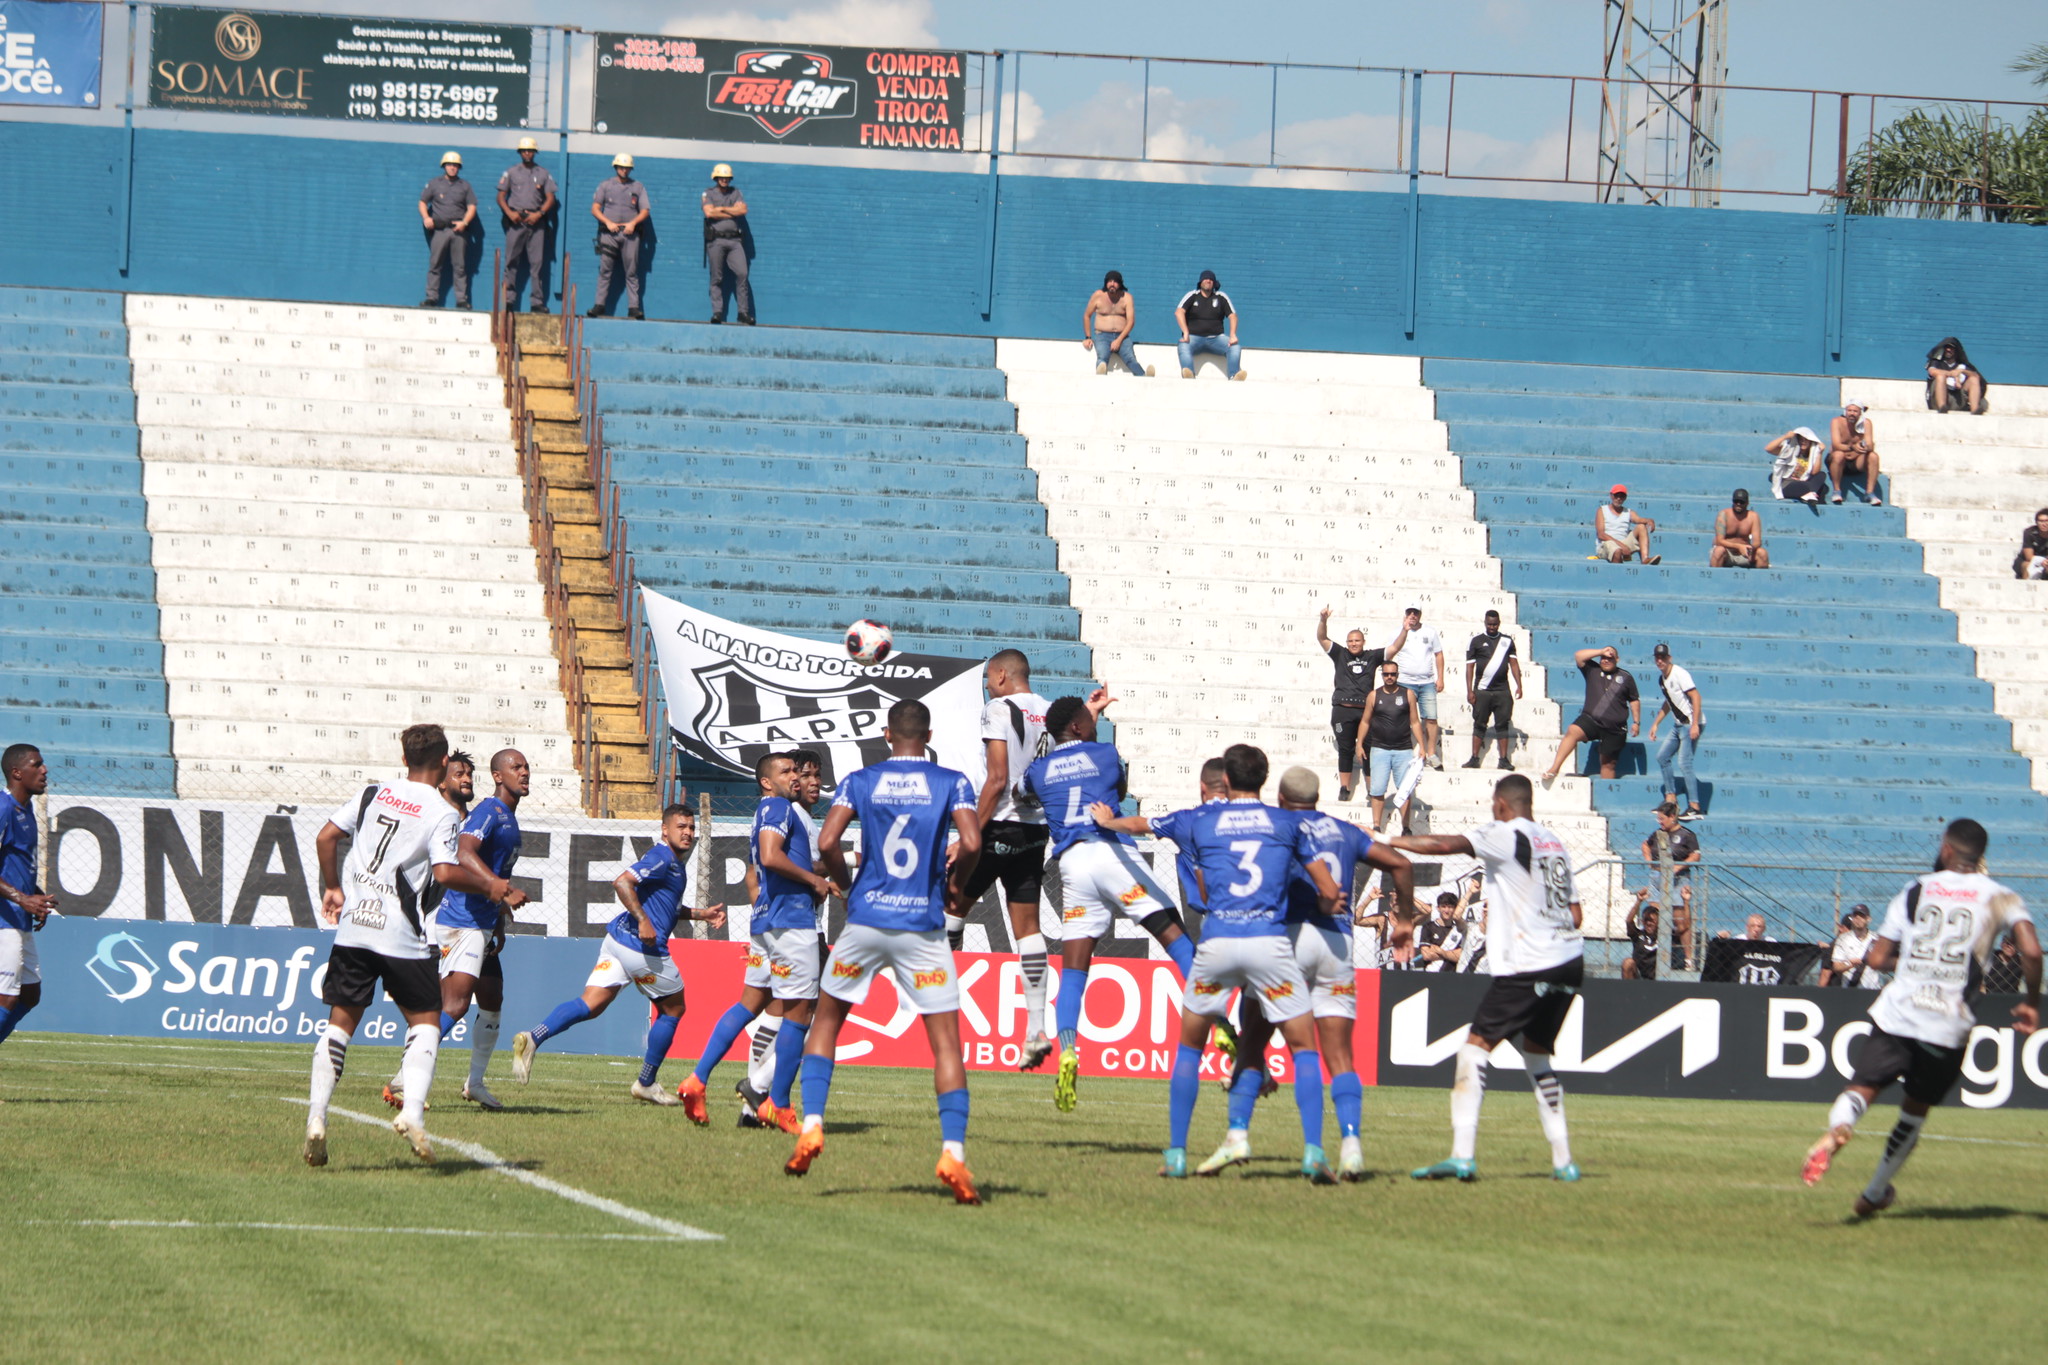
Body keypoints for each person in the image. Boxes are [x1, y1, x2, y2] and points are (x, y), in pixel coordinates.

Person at [1092, 744, 1339, 1183]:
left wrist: (1107, 821)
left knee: (1190, 1047)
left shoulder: (1198, 819)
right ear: (1264, 780)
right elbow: (1326, 888)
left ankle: (1176, 1154)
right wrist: (1320, 899)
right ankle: (1314, 1153)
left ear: (1225, 780)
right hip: (1269, 944)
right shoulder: (1288, 822)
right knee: (1303, 1048)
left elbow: (1143, 824)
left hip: (1218, 942)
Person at [785, 699, 986, 1205]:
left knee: (827, 1022)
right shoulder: (952, 781)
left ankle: (811, 1124)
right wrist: (955, 885)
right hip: (922, 925)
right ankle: (953, 1154)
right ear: (929, 734)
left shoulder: (860, 779)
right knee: (945, 1044)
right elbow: (972, 839)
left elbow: (829, 840)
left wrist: (849, 884)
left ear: (886, 734)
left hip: (867, 921)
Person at [1800, 819, 2038, 1216]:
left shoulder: (1917, 889)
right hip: (1947, 1025)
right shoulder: (2000, 896)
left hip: (1899, 1013)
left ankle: (1839, 1129)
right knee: (1914, 1112)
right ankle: (1874, 1192)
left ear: (1946, 847)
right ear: (1980, 855)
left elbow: (1876, 958)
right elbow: (2030, 950)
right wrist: (2031, 999)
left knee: (1862, 1088)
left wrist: (1912, 958)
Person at [303, 724, 509, 1167]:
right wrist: (490, 885)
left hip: (354, 929)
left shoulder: (372, 794)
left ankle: (317, 1118)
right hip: (402, 934)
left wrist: (333, 887)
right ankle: (412, 1113)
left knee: (339, 1026)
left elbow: (325, 837)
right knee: (427, 1025)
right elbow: (445, 873)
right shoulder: (442, 811)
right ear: (440, 766)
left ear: (404, 759)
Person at [1197, 767, 1415, 1182]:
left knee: (1253, 1045)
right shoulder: (1345, 831)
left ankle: (1237, 1136)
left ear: (1280, 796)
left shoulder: (1277, 825)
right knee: (1339, 1056)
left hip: (1288, 940)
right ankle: (1351, 1149)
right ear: (1317, 799)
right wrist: (1403, 921)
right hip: (1336, 946)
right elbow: (1401, 865)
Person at [1390, 774, 1585, 1183]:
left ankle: (1462, 1156)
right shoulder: (1554, 844)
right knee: (1536, 1057)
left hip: (1530, 964)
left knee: (1473, 1051)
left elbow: (1445, 845)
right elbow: (1577, 915)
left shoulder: (1504, 833)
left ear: (1500, 804)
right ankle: (1564, 1160)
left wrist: (1387, 839)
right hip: (1570, 962)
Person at [1023, 695, 1197, 1113]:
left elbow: (1024, 792)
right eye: (1089, 718)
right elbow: (1117, 788)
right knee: (1174, 934)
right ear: (1081, 727)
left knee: (1075, 970)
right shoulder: (1104, 753)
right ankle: (1224, 1025)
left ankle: (1067, 1048)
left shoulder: (1039, 770)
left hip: (1072, 865)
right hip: (1110, 852)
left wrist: (1080, 725)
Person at [509, 806, 726, 1102]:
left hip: (617, 942)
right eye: (681, 827)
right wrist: (643, 920)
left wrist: (702, 914)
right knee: (673, 1009)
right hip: (641, 948)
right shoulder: (662, 857)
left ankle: (534, 1037)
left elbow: (667, 906)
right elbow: (622, 882)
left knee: (590, 1004)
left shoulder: (673, 862)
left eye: (691, 827)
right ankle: (646, 1083)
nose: (688, 832)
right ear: (665, 830)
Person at [679, 754, 838, 1130]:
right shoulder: (779, 807)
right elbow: (769, 857)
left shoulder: (768, 810)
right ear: (767, 782)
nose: (796, 777)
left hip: (766, 923)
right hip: (792, 922)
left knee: (749, 1004)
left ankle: (698, 1079)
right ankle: (776, 1103)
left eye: (797, 771)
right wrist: (815, 881)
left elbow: (761, 866)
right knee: (800, 1014)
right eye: (787, 772)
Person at [382, 748, 532, 1113]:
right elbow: (464, 853)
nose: (524, 772)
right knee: (456, 1003)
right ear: (498, 776)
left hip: (483, 921)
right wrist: (501, 888)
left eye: (527, 767)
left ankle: (475, 1084)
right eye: (516, 767)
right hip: (463, 920)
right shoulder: (489, 811)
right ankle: (402, 1079)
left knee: (492, 1000)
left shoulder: (507, 817)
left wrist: (498, 920)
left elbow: (490, 867)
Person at [953, 650, 1052, 1068]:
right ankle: (1036, 1027)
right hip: (1036, 828)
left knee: (952, 902)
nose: (986, 688)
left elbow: (996, 778)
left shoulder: (999, 708)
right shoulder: (1051, 711)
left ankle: (940, 1015)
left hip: (998, 825)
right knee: (1028, 927)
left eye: (987, 681)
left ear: (999, 674)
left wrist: (970, 831)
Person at [1316, 605, 1407, 802]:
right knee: (1346, 749)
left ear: (1363, 642)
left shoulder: (1372, 656)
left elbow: (1395, 648)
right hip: (1343, 710)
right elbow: (1322, 638)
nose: (1353, 644)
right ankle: (1344, 788)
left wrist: (1405, 630)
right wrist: (1323, 621)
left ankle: (1371, 788)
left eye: (1357, 640)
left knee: (1367, 750)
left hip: (1366, 711)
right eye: (1350, 641)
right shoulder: (1340, 653)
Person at [0, 745, 54, 1075]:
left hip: (18, 915)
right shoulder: (3, 807)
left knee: (29, 995)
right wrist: (22, 899)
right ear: (17, 772)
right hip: (2, 919)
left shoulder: (27, 810)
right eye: (37, 764)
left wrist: (35, 897)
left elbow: (13, 865)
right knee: (6, 998)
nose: (45, 770)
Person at [1540, 645, 1639, 785]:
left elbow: (1634, 700)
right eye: (1603, 658)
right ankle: (1554, 768)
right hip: (1591, 720)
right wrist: (1601, 651)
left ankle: (1605, 794)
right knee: (1573, 731)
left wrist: (1636, 722)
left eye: (1610, 658)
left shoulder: (1626, 677)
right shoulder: (1592, 670)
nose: (1606, 660)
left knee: (1608, 764)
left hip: (1615, 727)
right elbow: (1578, 656)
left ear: (1617, 659)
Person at [1357, 659, 1425, 835]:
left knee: (1404, 790)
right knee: (1377, 789)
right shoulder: (1374, 695)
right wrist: (1359, 743)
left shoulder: (1408, 694)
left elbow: (1415, 722)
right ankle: (1377, 826)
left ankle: (1406, 827)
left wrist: (1423, 747)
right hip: (1379, 749)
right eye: (1386, 674)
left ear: (1397, 675)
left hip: (1403, 749)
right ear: (1382, 675)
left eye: (1392, 674)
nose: (1389, 677)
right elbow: (1365, 721)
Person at [497, 137, 558, 313]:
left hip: (536, 223)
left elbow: (550, 199)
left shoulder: (543, 173)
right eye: (524, 150)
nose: (527, 153)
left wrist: (539, 214)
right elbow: (501, 196)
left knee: (537, 264)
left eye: (530, 150)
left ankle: (537, 302)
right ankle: (508, 301)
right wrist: (510, 213)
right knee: (511, 262)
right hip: (516, 221)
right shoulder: (511, 172)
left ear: (534, 152)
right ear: (520, 152)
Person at [1646, 643, 1705, 819]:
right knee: (1662, 757)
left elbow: (1696, 696)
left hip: (1690, 723)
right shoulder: (1662, 679)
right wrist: (1656, 723)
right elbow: (1669, 702)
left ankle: (1695, 806)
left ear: (1669, 658)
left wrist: (1695, 724)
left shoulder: (1679, 673)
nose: (1659, 661)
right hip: (1679, 724)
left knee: (1684, 763)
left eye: (1663, 657)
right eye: (1657, 658)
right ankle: (1671, 800)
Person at [589, 154, 650, 320]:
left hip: (630, 235)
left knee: (632, 272)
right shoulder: (605, 185)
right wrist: (608, 222)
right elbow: (595, 208)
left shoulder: (638, 187)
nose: (624, 170)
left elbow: (645, 210)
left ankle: (633, 308)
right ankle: (599, 305)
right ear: (616, 167)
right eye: (621, 167)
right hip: (609, 234)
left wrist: (632, 224)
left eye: (627, 168)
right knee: (605, 270)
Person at [1462, 608, 1522, 770]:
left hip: (1502, 690)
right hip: (1482, 690)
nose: (1492, 627)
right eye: (1489, 624)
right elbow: (1469, 668)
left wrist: (1519, 685)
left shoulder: (1507, 641)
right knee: (1479, 723)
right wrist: (1469, 690)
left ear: (1499, 624)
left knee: (1502, 724)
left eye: (1495, 624)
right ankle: (1474, 758)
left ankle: (1504, 760)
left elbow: (1514, 664)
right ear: (1485, 623)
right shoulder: (1476, 641)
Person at [1388, 606, 1446, 769]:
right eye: (1409, 612)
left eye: (1416, 612)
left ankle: (1431, 753)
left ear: (1420, 614)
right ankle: (1402, 750)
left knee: (1431, 718)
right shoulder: (1397, 632)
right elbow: (1389, 654)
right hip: (1405, 682)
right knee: (1401, 717)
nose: (1412, 616)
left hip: (1427, 682)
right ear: (1405, 614)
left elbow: (1439, 654)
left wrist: (1440, 678)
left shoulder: (1430, 632)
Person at [419, 151, 478, 310]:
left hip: (458, 231)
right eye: (449, 165)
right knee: (435, 264)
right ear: (444, 166)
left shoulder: (465, 186)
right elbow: (423, 202)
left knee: (459, 267)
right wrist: (426, 218)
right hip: (439, 231)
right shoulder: (434, 183)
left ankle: (461, 300)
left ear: (459, 167)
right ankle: (431, 298)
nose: (452, 168)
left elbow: (472, 207)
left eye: (455, 165)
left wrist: (464, 222)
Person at [702, 162, 753, 325]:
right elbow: (709, 212)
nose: (724, 180)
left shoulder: (736, 192)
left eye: (727, 178)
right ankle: (717, 312)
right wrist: (731, 210)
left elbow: (743, 210)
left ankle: (743, 313)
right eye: (721, 178)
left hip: (735, 241)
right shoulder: (708, 193)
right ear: (716, 178)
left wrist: (721, 209)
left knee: (742, 274)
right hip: (716, 240)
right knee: (717, 277)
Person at [1174, 269, 1245, 380]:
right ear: (1200, 282)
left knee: (1235, 347)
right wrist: (1186, 332)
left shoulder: (1221, 297)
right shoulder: (1192, 295)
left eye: (1211, 279)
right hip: (1194, 338)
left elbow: (1233, 316)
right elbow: (1179, 312)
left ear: (1214, 283)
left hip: (1217, 338)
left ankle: (1233, 375)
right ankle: (1189, 376)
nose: (1208, 281)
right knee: (1183, 345)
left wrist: (1232, 335)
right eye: (1206, 279)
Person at [1081, 270, 1153, 376]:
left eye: (1115, 281)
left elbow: (1131, 321)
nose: (1112, 284)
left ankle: (1145, 376)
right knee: (1102, 357)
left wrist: (1119, 340)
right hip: (1102, 335)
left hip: (1122, 336)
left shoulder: (1127, 298)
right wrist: (1088, 337)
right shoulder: (1098, 295)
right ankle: (1101, 373)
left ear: (1120, 284)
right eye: (1109, 281)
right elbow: (1087, 316)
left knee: (1130, 359)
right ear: (1106, 283)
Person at [1827, 402, 1882, 506]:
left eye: (1855, 411)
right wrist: (1852, 447)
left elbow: (1870, 445)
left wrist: (1861, 448)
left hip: (1857, 460)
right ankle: (1837, 491)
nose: (1852, 413)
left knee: (1873, 456)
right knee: (1839, 454)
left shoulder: (1866, 423)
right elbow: (1836, 445)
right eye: (1849, 410)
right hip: (1838, 460)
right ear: (1845, 411)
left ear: (1860, 413)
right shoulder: (1836, 422)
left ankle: (1869, 493)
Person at [1594, 484, 1659, 564]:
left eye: (1622, 496)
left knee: (1641, 527)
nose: (1618, 498)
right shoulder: (1602, 510)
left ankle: (1645, 559)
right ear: (1611, 495)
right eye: (1616, 495)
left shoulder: (1628, 512)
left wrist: (1649, 521)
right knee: (1617, 551)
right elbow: (1601, 535)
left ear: (1625, 498)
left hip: (1623, 543)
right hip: (1607, 544)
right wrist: (1621, 546)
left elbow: (1638, 520)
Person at [1709, 488, 1770, 569]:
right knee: (1718, 551)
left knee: (1762, 553)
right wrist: (1739, 546)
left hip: (1745, 553)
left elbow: (1757, 541)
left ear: (1747, 503)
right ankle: (1714, 580)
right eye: (1736, 501)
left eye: (1742, 502)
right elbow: (1719, 541)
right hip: (1727, 553)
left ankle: (1760, 579)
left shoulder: (1753, 516)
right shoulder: (1723, 515)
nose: (1738, 504)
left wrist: (1750, 548)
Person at [1766, 427, 1829, 504]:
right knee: (1815, 488)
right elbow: (1768, 449)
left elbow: (1815, 472)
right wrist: (1785, 437)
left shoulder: (1811, 455)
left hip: (1804, 482)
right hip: (1788, 485)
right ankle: (1810, 494)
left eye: (1806, 440)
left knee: (1821, 475)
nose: (1803, 442)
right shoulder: (1789, 451)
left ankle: (1808, 495)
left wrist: (1820, 453)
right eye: (1801, 439)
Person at [1924, 336, 1986, 414]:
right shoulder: (1936, 362)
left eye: (1951, 348)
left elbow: (1976, 376)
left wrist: (1962, 371)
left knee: (1973, 379)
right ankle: (1942, 407)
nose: (1948, 350)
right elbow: (1932, 371)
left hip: (1957, 400)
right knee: (1940, 377)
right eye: (1947, 347)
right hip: (1937, 399)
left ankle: (1975, 410)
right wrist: (1951, 374)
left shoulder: (1962, 365)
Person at [1415, 892, 1467, 972]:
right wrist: (1451, 954)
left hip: (1452, 975)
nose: (1446, 910)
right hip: (1432, 973)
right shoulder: (1428, 927)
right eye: (1443, 907)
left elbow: (1460, 956)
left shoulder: (1458, 929)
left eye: (1450, 907)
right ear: (1438, 908)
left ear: (1455, 909)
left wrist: (1440, 951)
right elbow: (1426, 955)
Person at [1830, 905, 1876, 989]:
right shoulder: (1843, 939)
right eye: (1855, 916)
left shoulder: (1876, 939)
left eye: (1861, 916)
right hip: (1850, 989)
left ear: (1868, 919)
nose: (1858, 919)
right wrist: (1850, 964)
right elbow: (1836, 967)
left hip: (1872, 989)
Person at [1623, 896, 1660, 980]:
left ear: (1658, 922)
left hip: (1657, 977)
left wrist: (1686, 902)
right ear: (1642, 921)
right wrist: (1639, 901)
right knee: (1627, 962)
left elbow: (1683, 928)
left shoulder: (1664, 936)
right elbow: (1629, 921)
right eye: (1646, 920)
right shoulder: (1638, 934)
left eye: (1652, 920)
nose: (1649, 923)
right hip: (1638, 975)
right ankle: (1627, 991)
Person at [2013, 507, 2048, 580]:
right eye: (2041, 521)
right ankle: (2026, 588)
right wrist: (2042, 561)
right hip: (2027, 561)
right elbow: (2029, 557)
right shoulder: (2029, 533)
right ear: (2036, 522)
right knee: (2028, 566)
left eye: (2046, 521)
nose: (2044, 524)